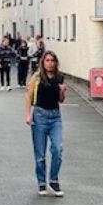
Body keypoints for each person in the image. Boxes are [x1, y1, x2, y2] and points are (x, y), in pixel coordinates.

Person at [25, 50, 66, 197]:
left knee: (57, 149)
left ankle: (53, 179)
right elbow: (29, 96)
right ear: (43, 62)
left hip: (55, 116)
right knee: (40, 154)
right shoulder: (37, 78)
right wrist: (28, 115)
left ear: (55, 63)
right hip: (40, 115)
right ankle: (41, 182)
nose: (50, 63)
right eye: (47, 60)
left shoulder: (59, 77)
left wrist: (62, 91)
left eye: (52, 61)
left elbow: (61, 100)